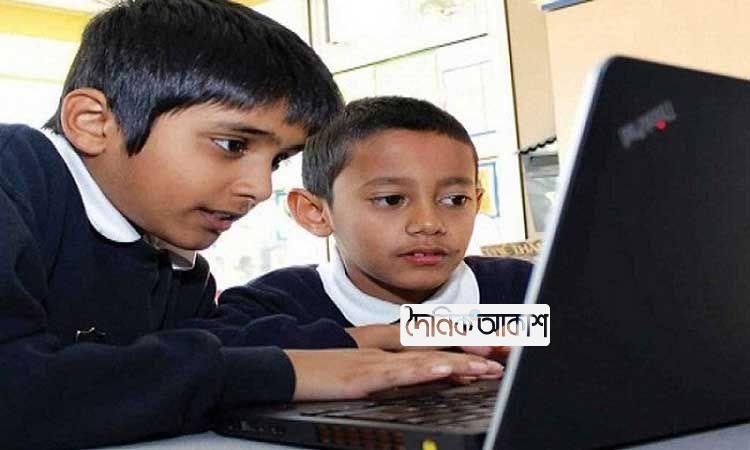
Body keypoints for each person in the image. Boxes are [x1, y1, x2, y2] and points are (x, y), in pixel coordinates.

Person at [0, 4, 503, 449]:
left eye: (277, 161)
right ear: (92, 121)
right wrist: (284, 372)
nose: (260, 188)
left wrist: (372, 340)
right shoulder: (13, 178)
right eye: (232, 145)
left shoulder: (176, 266)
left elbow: (191, 352)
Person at [219, 96, 532, 351]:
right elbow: (208, 362)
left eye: (455, 200)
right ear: (315, 212)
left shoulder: (527, 290)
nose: (428, 223)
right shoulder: (271, 307)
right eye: (391, 200)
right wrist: (368, 340)